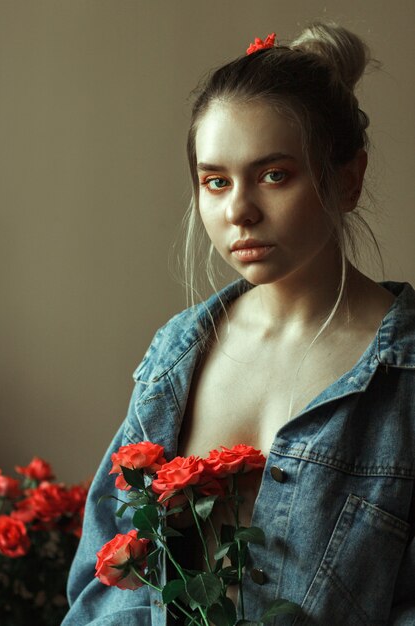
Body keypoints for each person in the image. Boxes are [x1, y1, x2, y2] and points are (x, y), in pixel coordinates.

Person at [62, 22, 415, 626]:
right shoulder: (177, 354)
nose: (239, 211)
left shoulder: (403, 377)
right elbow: (108, 581)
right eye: (216, 181)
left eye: (275, 175)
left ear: (348, 178)